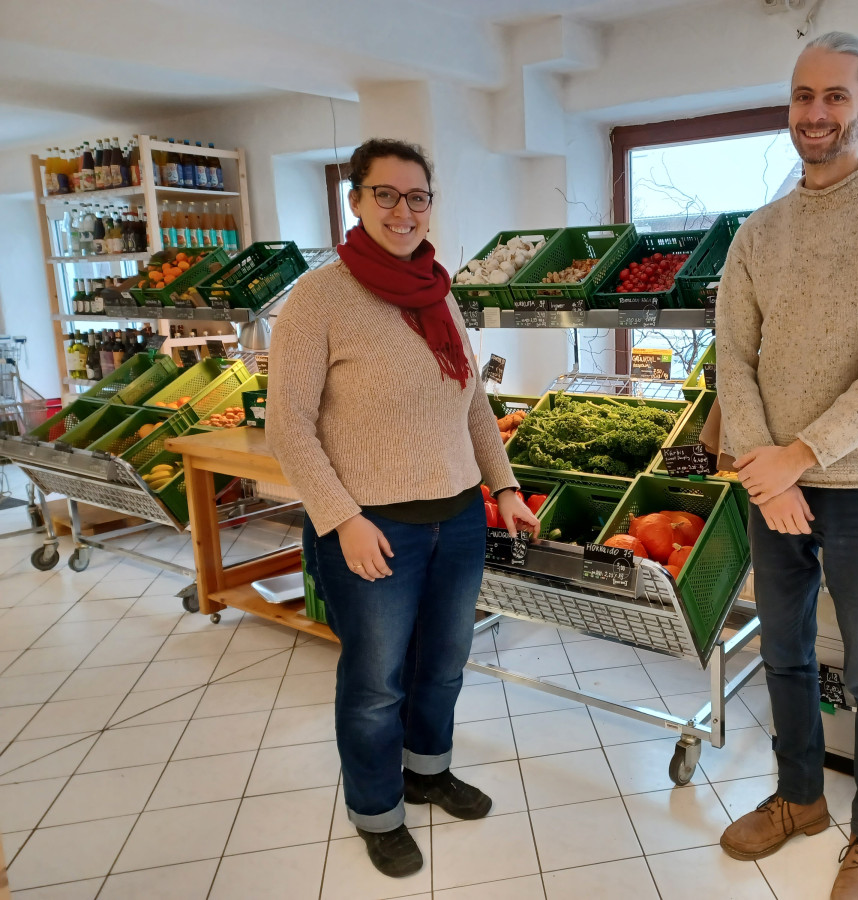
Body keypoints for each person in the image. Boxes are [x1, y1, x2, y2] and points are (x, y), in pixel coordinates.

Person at [714, 32, 858, 900]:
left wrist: (797, 459)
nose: (816, 114)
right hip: (771, 484)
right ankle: (801, 798)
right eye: (804, 97)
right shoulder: (757, 233)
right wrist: (764, 470)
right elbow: (732, 359)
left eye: (835, 98)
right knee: (784, 655)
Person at [268, 138, 540, 879]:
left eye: (417, 196)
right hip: (372, 527)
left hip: (455, 519)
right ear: (354, 200)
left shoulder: (437, 290)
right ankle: (376, 809)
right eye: (385, 194)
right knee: (376, 681)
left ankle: (427, 770)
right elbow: (286, 423)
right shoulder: (318, 298)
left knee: (445, 664)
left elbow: (472, 403)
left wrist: (505, 487)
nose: (403, 210)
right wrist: (341, 517)